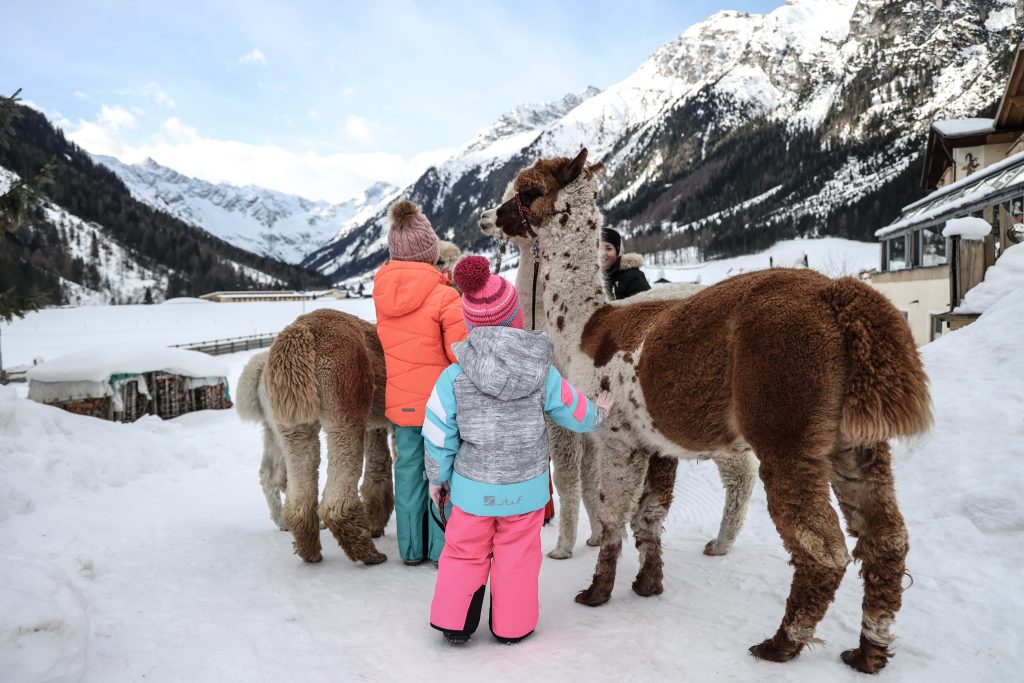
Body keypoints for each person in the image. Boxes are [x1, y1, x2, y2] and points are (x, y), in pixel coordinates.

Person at [423, 256, 613, 645]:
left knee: (462, 552)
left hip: (473, 489)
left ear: (470, 323)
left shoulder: (454, 377)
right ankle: (513, 626)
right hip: (525, 490)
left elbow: (438, 435)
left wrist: (437, 479)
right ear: (516, 318)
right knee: (518, 559)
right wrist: (599, 413)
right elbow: (573, 411)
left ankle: (454, 622)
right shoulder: (542, 372)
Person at [373, 199, 468, 566]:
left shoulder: (382, 294)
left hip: (402, 403)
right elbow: (459, 353)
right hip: (441, 406)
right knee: (443, 472)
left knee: (408, 468)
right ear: (430, 252)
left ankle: (410, 548)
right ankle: (440, 548)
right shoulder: (445, 295)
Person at [600, 227, 652, 300]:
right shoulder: (590, 279)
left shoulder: (634, 276)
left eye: (608, 248)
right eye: (598, 248)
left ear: (617, 252)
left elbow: (646, 307)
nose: (602, 253)